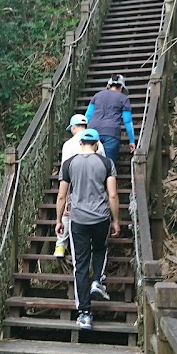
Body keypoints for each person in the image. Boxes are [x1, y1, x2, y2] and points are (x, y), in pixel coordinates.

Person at [55, 128, 120, 330]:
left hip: (78, 220)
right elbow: (112, 195)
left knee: (80, 265)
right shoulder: (106, 163)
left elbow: (61, 196)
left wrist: (58, 220)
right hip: (101, 217)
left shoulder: (68, 164)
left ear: (81, 142)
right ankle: (97, 282)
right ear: (98, 144)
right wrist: (116, 220)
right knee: (100, 249)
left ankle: (84, 313)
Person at [54, 114, 105, 258]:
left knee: (67, 212)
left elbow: (66, 170)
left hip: (75, 185)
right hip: (95, 188)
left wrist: (65, 199)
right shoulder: (98, 143)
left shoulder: (69, 144)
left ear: (74, 127)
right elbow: (104, 164)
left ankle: (60, 245)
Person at [85, 75, 136, 163]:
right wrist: (131, 140)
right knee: (108, 165)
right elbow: (127, 121)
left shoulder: (97, 96)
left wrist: (83, 134)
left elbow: (87, 116)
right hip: (111, 134)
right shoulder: (123, 98)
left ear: (108, 86)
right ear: (121, 88)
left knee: (90, 163)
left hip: (93, 132)